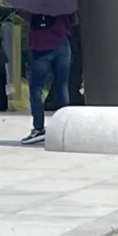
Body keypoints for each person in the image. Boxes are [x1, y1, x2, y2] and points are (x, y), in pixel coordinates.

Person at [22, 8, 74, 144]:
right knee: (62, 85)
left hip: (41, 47)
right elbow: (73, 21)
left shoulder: (32, 3)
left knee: (36, 89)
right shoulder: (63, 2)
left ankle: (38, 128)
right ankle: (65, 127)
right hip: (61, 45)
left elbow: (27, 17)